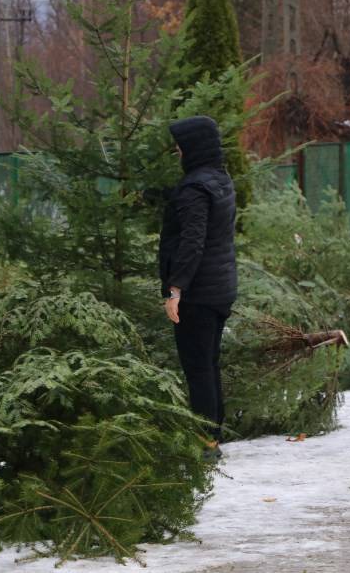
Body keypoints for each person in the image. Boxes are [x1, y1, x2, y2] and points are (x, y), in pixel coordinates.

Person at [158, 116, 238, 459]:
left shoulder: (194, 188)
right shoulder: (219, 180)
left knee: (197, 366)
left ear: (192, 148)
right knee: (210, 362)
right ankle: (214, 434)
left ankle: (206, 442)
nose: (176, 152)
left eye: (179, 146)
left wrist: (175, 290)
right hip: (221, 287)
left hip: (199, 292)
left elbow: (192, 242)